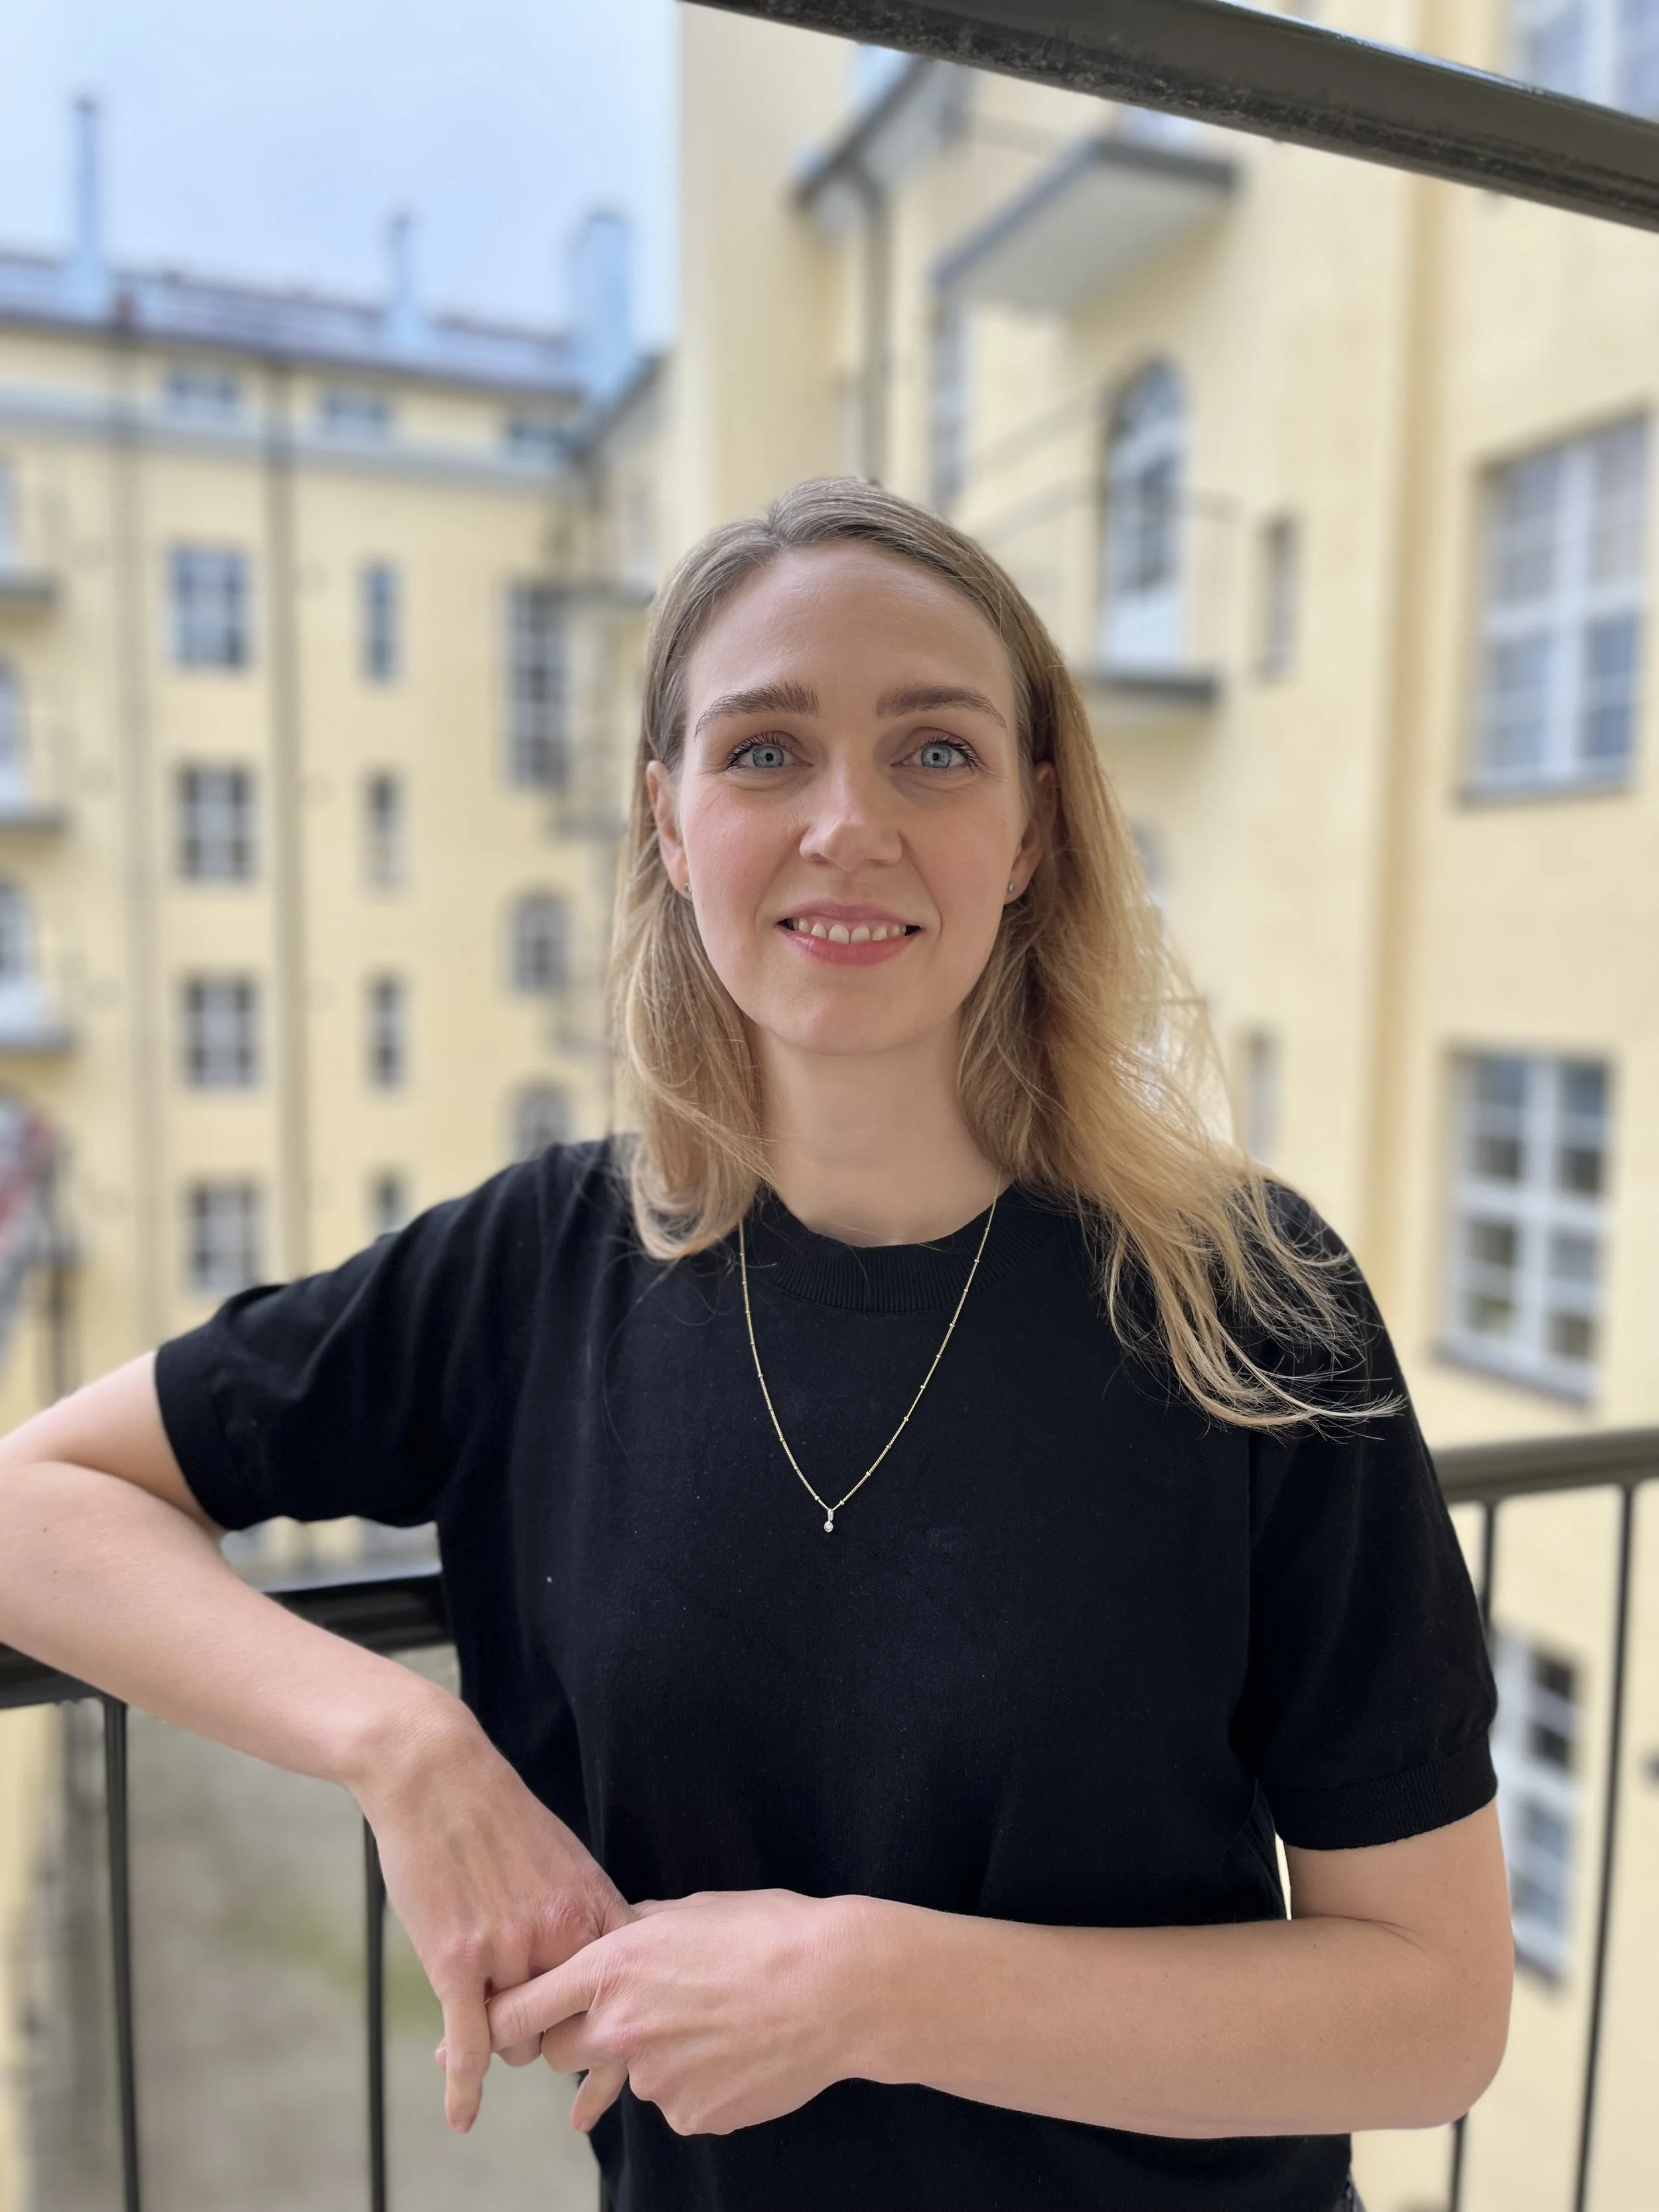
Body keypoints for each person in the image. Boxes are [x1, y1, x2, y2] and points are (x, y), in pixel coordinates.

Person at [0, 479, 1510, 2212]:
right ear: (668, 817)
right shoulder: (533, 1270)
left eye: (934, 751)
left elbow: (1434, 2015)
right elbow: (33, 1506)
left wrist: (865, 1991)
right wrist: (400, 1743)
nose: (847, 823)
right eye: (766, 751)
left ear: (1031, 825)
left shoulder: (1245, 1301)